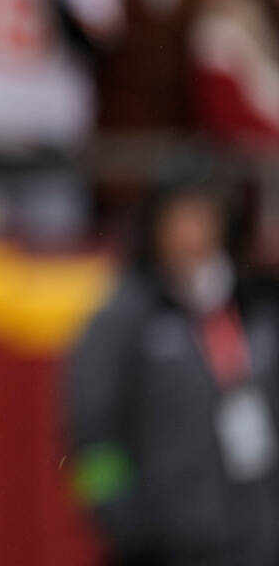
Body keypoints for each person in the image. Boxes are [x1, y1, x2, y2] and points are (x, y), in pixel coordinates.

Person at [65, 159, 279, 565]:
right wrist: (122, 522)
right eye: (181, 218)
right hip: (165, 547)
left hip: (257, 542)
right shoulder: (124, 319)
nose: (193, 234)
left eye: (205, 218)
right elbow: (90, 436)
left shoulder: (256, 308)